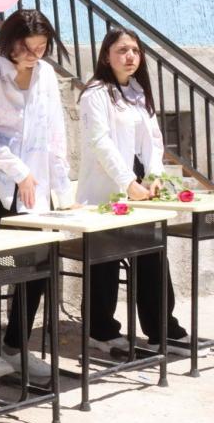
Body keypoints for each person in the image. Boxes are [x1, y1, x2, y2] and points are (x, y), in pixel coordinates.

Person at [0, 10, 73, 384]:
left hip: (29, 184)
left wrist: (62, 189)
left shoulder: (46, 75)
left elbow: (54, 132)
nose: (34, 55)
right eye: (27, 48)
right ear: (9, 43)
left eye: (41, 47)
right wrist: (17, 169)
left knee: (37, 261)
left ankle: (16, 345)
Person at [77, 26, 193, 356]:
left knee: (153, 255)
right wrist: (127, 182)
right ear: (106, 56)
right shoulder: (96, 93)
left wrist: (154, 176)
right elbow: (100, 143)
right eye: (122, 50)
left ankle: (161, 329)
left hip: (139, 190)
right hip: (107, 191)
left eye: (135, 51)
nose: (130, 56)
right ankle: (100, 330)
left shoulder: (138, 91)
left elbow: (153, 141)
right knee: (104, 262)